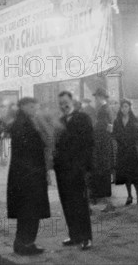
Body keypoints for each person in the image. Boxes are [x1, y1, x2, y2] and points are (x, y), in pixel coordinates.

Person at [6, 98, 50, 255]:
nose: (35, 110)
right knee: (29, 211)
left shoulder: (26, 122)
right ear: (23, 107)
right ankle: (25, 243)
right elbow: (32, 148)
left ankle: (25, 242)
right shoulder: (23, 124)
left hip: (27, 174)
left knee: (28, 212)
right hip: (28, 175)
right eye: (32, 107)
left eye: (35, 106)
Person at [53, 91, 94, 250]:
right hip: (62, 170)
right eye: (60, 103)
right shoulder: (60, 121)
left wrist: (84, 167)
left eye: (65, 101)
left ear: (72, 101)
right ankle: (74, 235)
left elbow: (89, 144)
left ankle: (86, 238)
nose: (63, 105)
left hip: (77, 169)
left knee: (80, 204)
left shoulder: (83, 118)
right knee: (67, 203)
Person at [113, 99, 138, 205]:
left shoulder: (134, 120)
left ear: (129, 107)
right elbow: (115, 134)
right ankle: (129, 196)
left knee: (134, 173)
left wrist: (131, 141)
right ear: (120, 109)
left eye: (126, 106)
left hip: (132, 150)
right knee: (126, 175)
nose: (124, 109)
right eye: (122, 107)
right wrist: (121, 141)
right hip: (122, 150)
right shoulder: (117, 121)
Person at [89, 88, 115, 212]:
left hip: (103, 144)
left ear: (101, 97)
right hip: (101, 143)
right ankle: (104, 200)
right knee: (102, 170)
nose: (96, 99)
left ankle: (107, 202)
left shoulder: (105, 110)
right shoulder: (104, 109)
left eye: (97, 97)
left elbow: (108, 127)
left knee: (103, 170)